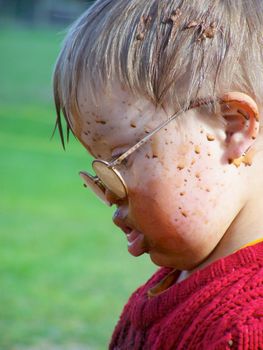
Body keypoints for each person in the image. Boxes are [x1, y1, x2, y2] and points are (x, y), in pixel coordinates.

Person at [53, 0, 263, 348]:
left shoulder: (246, 328)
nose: (109, 196)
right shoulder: (167, 287)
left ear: (232, 127)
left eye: (121, 160)